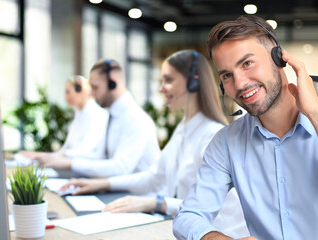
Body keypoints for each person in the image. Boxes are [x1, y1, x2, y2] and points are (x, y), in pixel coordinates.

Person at [173, 15, 318, 240]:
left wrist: (316, 113)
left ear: (279, 59)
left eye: (247, 63)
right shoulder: (227, 142)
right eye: (227, 75)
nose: (240, 84)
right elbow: (189, 215)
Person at [61, 50, 249, 238]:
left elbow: (219, 207)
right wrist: (100, 184)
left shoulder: (212, 135)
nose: (161, 88)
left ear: (193, 81)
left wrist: (157, 203)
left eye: (168, 80)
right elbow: (155, 176)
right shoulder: (183, 129)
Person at [36, 59, 161, 178]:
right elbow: (98, 155)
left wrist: (70, 163)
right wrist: (59, 158)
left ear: (113, 84)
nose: (90, 93)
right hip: (122, 192)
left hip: (142, 196)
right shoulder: (112, 115)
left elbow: (121, 167)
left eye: (95, 87)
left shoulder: (134, 118)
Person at [23, 75, 108, 161]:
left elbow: (85, 152)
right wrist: (42, 156)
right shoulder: (79, 115)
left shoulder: (97, 115)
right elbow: (66, 149)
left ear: (81, 89)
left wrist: (47, 157)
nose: (65, 97)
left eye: (68, 92)